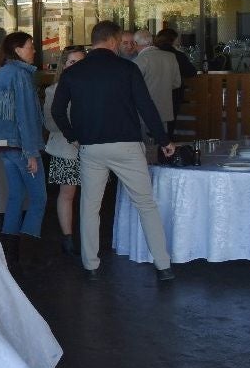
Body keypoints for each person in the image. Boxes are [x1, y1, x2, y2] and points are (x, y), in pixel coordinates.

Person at [52, 21, 176, 282]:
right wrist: (163, 139)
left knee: (89, 207)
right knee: (146, 204)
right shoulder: (127, 68)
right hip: (127, 146)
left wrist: (73, 135)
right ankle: (163, 265)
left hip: (91, 148)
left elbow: (57, 111)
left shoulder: (73, 73)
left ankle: (91, 265)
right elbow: (146, 107)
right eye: (120, 41)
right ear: (113, 40)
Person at [0, 32, 47, 265]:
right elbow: (26, 116)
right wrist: (31, 152)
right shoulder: (21, 76)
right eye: (31, 46)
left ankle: (10, 252)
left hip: (3, 146)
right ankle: (28, 252)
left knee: (15, 196)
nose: (34, 50)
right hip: (22, 146)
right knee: (39, 198)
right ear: (18, 50)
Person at [43, 46, 87, 255]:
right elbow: (50, 124)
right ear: (64, 65)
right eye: (72, 62)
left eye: (81, 62)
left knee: (92, 194)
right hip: (66, 148)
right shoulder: (53, 90)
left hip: (92, 149)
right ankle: (67, 237)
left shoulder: (95, 87)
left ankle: (88, 235)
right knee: (67, 193)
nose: (77, 67)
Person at [133, 29, 181, 134]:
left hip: (143, 114)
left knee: (147, 147)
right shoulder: (170, 57)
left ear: (135, 44)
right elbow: (177, 83)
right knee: (162, 146)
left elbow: (132, 88)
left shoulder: (138, 61)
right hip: (165, 112)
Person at [155, 28, 197, 138]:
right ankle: (167, 146)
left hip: (154, 94)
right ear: (173, 40)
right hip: (173, 95)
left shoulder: (152, 54)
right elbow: (191, 72)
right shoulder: (177, 55)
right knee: (170, 125)